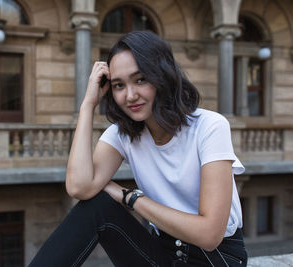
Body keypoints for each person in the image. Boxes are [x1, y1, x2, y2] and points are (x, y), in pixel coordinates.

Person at [29, 31, 247, 267]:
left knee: (103, 197)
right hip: (162, 252)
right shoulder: (124, 133)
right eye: (118, 85)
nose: (130, 96)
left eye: (140, 79)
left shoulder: (209, 126)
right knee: (96, 206)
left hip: (216, 259)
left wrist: (129, 197)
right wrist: (88, 105)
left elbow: (209, 236)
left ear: (163, 76)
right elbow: (78, 186)